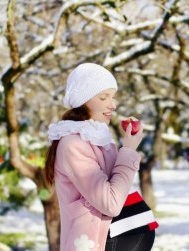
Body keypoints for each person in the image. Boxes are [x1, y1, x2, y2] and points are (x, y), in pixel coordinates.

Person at [44, 63, 158, 251]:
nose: (112, 105)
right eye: (103, 97)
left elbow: (118, 189)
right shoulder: (73, 145)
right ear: (84, 100)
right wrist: (128, 150)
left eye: (113, 97)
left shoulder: (100, 140)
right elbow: (111, 204)